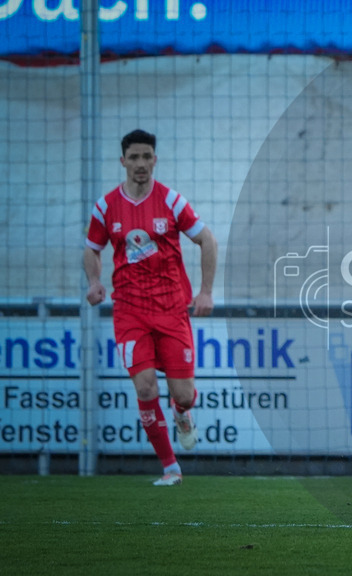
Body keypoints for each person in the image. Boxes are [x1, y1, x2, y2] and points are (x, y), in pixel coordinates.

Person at [83, 129, 218, 486]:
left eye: (147, 157)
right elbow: (91, 248)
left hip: (172, 308)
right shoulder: (106, 206)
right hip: (129, 310)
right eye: (134, 157)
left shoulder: (171, 201)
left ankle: (182, 413)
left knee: (184, 395)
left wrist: (205, 292)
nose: (141, 164)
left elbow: (207, 240)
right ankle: (170, 467)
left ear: (155, 160)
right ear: (123, 161)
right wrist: (94, 282)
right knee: (144, 389)